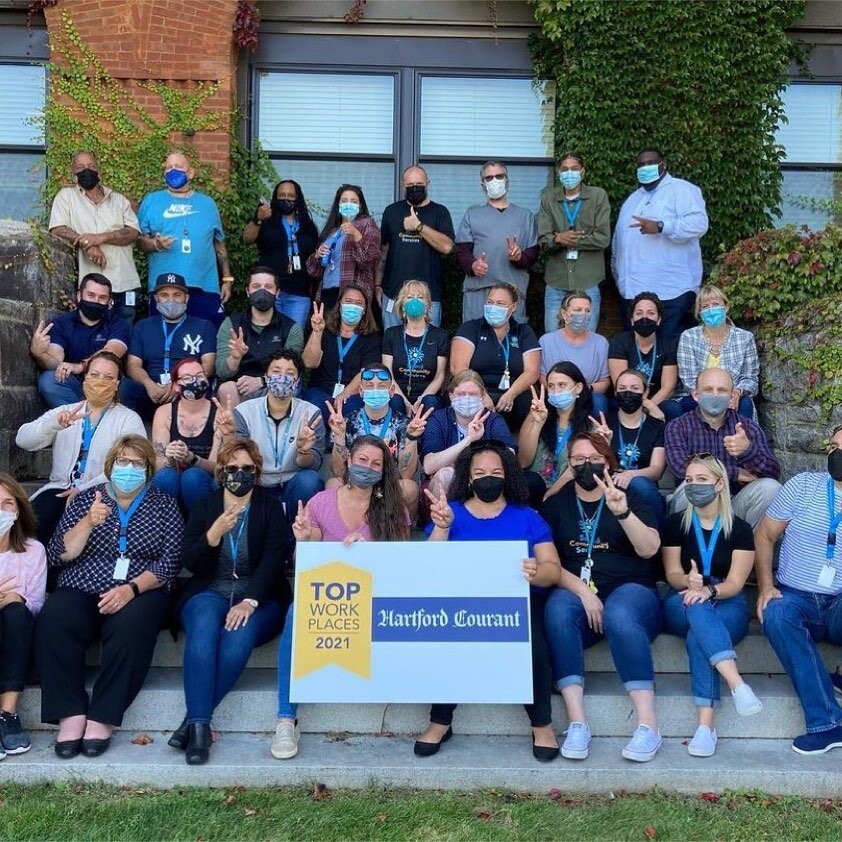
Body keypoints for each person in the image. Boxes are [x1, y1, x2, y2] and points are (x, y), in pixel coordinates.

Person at [36, 435, 182, 759]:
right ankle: (70, 713)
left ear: (148, 469)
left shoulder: (164, 503)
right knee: (55, 621)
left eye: (137, 463)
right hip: (83, 582)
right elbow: (58, 554)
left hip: (140, 587)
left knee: (133, 628)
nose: (128, 469)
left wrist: (130, 589)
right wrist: (88, 521)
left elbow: (171, 560)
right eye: (122, 462)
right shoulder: (88, 498)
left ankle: (102, 716)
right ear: (111, 465)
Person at [416, 440, 562, 761]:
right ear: (468, 478)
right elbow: (427, 564)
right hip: (462, 605)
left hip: (518, 604)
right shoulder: (449, 514)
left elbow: (552, 569)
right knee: (445, 640)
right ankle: (440, 720)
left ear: (507, 475)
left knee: (534, 645)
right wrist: (441, 528)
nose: (488, 477)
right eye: (480, 472)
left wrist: (537, 572)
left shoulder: (528, 517)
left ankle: (542, 724)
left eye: (496, 471)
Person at [271, 435, 410, 760]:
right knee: (296, 612)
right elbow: (313, 546)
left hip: (377, 597)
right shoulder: (321, 501)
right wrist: (304, 539)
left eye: (377, 463)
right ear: (348, 460)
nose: (368, 467)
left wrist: (372, 553)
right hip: (332, 600)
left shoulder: (393, 508)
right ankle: (285, 718)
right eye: (362, 460)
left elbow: (402, 562)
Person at [541, 433, 662, 762]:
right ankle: (578, 722)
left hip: (632, 589)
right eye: (577, 459)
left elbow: (650, 549)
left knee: (620, 614)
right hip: (581, 592)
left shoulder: (629, 496)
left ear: (608, 462)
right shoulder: (557, 504)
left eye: (593, 458)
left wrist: (622, 513)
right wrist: (583, 592)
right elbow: (549, 563)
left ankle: (648, 725)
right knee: (557, 609)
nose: (585, 465)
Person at [170, 439, 291, 765]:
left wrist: (250, 601)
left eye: (248, 469)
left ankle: (193, 723)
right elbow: (192, 563)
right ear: (221, 471)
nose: (240, 474)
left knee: (238, 639)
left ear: (257, 472)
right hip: (211, 589)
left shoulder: (270, 508)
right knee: (203, 632)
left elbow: (274, 560)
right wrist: (213, 534)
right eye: (233, 468)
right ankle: (199, 729)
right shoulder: (206, 507)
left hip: (259, 597)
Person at [661, 454, 762, 758]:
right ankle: (737, 683)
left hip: (726, 599)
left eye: (702, 480)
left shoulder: (740, 529)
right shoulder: (676, 524)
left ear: (720, 484)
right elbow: (671, 573)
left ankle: (706, 727)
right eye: (689, 480)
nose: (693, 486)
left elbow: (735, 584)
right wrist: (688, 583)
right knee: (694, 605)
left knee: (698, 634)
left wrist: (708, 590)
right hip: (681, 598)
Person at [754, 424, 842, 755]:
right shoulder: (803, 485)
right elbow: (764, 535)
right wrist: (765, 586)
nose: (837, 454)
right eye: (833, 447)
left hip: (838, 605)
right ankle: (828, 723)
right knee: (775, 614)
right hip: (796, 597)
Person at [16, 351, 145, 548]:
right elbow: (23, 439)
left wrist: (84, 489)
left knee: (79, 531)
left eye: (108, 377)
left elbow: (133, 464)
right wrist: (55, 425)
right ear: (85, 378)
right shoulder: (66, 411)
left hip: (103, 489)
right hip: (60, 487)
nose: (100, 381)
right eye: (94, 375)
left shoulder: (128, 418)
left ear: (117, 383)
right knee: (33, 525)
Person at [612, 147, 709, 344]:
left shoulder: (682, 190)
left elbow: (699, 224)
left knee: (668, 354)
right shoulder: (633, 198)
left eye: (650, 163)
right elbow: (618, 241)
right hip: (633, 295)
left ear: (663, 165)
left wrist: (661, 226)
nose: (645, 168)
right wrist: (619, 276)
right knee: (638, 355)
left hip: (671, 294)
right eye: (641, 165)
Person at [665, 367, 781, 529]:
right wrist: (735, 472)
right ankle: (692, 549)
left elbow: (773, 472)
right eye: (708, 389)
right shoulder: (678, 426)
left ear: (732, 396)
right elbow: (680, 468)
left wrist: (748, 451)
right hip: (693, 502)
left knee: (770, 488)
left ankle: (748, 548)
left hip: (736, 502)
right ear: (696, 395)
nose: (715, 395)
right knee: (693, 484)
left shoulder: (747, 427)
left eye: (722, 390)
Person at [218, 350, 325, 515]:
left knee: (310, 480)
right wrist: (229, 435)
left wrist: (304, 451)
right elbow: (235, 458)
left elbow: (314, 464)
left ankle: (293, 533)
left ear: (296, 382)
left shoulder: (311, 414)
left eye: (290, 373)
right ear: (266, 377)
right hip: (257, 482)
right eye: (276, 371)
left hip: (292, 483)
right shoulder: (244, 412)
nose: (282, 378)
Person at [137, 151, 231, 327]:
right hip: (164, 290)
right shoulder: (151, 201)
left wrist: (227, 279)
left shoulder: (208, 203)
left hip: (205, 286)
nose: (173, 171)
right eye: (169, 167)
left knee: (207, 341)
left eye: (178, 167)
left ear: (191, 173)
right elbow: (139, 241)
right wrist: (155, 244)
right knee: (163, 342)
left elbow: (219, 244)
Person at [48, 151, 140, 323]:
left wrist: (101, 238)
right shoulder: (66, 197)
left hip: (124, 282)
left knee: (125, 337)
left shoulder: (119, 200)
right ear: (73, 173)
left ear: (99, 170)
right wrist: (88, 244)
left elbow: (133, 232)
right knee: (92, 337)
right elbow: (57, 229)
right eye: (80, 167)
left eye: (91, 166)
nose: (86, 170)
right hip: (92, 289)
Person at [326, 364, 427, 516]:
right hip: (356, 482)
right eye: (369, 386)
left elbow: (406, 475)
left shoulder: (404, 424)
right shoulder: (346, 422)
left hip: (389, 484)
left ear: (391, 391)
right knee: (333, 484)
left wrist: (412, 438)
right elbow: (338, 472)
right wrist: (339, 436)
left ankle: (404, 532)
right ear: (361, 391)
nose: (375, 390)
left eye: (381, 386)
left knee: (409, 487)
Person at [123, 273, 216, 421]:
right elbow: (132, 365)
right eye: (164, 295)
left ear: (187, 298)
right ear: (156, 299)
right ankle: (130, 433)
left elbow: (208, 367)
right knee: (125, 387)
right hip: (151, 390)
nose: (171, 300)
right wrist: (149, 385)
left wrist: (178, 384)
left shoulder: (204, 326)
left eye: (177, 295)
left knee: (200, 386)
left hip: (186, 389)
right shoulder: (142, 326)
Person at [30, 273, 131, 408]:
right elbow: (55, 360)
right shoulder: (61, 323)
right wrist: (39, 354)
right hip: (75, 385)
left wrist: (81, 366)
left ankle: (102, 420)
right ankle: (82, 421)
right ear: (79, 296)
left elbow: (111, 352)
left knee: (129, 388)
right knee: (49, 380)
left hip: (106, 383)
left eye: (102, 298)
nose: (96, 301)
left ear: (109, 301)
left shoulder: (118, 324)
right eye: (91, 295)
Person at [456, 161, 538, 322]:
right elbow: (462, 252)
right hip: (479, 291)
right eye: (489, 177)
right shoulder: (472, 215)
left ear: (507, 180)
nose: (494, 181)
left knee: (511, 343)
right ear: (483, 184)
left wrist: (519, 257)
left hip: (513, 292)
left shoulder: (525, 216)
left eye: (499, 176)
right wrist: (473, 265)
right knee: (476, 340)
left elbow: (533, 254)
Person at [538, 152, 611, 334]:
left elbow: (602, 238)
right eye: (564, 169)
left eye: (574, 169)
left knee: (586, 339)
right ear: (558, 172)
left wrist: (565, 239)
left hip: (588, 281)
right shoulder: (549, 198)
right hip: (556, 281)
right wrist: (556, 238)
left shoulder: (597, 196)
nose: (569, 173)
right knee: (552, 339)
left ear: (582, 171)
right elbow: (543, 239)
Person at [450, 282, 540, 430]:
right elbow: (458, 367)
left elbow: (532, 371)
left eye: (500, 303)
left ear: (514, 307)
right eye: (490, 302)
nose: (494, 307)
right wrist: (482, 395)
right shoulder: (471, 328)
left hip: (512, 393)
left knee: (527, 401)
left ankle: (520, 450)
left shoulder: (523, 331)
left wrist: (510, 394)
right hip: (476, 391)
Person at [0, 475, 46, 758]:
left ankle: (7, 714)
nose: (0, 511)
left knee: (16, 613)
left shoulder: (33, 551)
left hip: (17, 638)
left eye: (7, 503)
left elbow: (37, 603)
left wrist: (17, 598)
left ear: (17, 511)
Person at [376, 165, 454, 329]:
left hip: (428, 298)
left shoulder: (440, 212)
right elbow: (383, 253)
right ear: (403, 184)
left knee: (427, 349)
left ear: (427, 183)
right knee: (393, 348)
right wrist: (377, 285)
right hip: (393, 295)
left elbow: (447, 246)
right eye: (410, 185)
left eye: (419, 184)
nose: (415, 188)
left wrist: (418, 226)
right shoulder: (391, 211)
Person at [216, 266, 304, 408]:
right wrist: (235, 357)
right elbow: (222, 372)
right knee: (227, 388)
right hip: (240, 388)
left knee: (285, 386)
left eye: (268, 287)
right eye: (256, 286)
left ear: (277, 292)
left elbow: (291, 371)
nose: (262, 291)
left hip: (274, 386)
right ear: (247, 291)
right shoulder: (231, 324)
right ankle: (236, 430)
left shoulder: (291, 328)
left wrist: (262, 381)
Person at [420, 370, 516, 498]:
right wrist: (469, 440)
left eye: (472, 394)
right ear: (451, 396)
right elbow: (429, 466)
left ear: (482, 396)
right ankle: (447, 518)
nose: (467, 398)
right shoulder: (438, 419)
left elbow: (509, 456)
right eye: (461, 394)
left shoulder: (493, 419)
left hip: (484, 480)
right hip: (446, 484)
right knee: (445, 474)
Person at [242, 179, 319, 329]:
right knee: (267, 335)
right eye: (282, 195)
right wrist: (258, 219)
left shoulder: (308, 226)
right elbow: (247, 238)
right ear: (275, 198)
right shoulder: (267, 220)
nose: (286, 199)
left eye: (291, 196)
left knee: (293, 340)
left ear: (298, 199)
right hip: (269, 291)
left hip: (299, 294)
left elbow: (313, 259)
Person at [300, 286, 381, 427]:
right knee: (316, 407)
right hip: (321, 389)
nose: (353, 306)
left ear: (364, 310)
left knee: (351, 410)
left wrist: (345, 394)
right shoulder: (325, 330)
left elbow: (366, 371)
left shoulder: (372, 338)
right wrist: (317, 333)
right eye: (348, 301)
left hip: (353, 393)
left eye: (358, 303)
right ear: (340, 305)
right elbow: (309, 363)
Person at [675, 284, 759, 419]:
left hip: (732, 396)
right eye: (705, 306)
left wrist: (736, 393)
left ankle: (744, 440)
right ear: (699, 312)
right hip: (698, 396)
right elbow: (688, 379)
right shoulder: (689, 337)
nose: (711, 309)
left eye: (715, 304)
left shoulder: (745, 338)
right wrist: (711, 397)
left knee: (745, 404)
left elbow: (750, 377)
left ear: (726, 307)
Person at [598, 369, 666, 526]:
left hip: (643, 489)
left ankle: (657, 541)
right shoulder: (604, 423)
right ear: (615, 392)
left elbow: (657, 470)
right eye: (622, 388)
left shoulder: (656, 426)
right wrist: (604, 443)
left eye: (635, 388)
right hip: (609, 485)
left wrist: (632, 475)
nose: (628, 392)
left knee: (640, 484)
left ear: (645, 392)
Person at [151, 357, 220, 511]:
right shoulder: (165, 412)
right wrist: (169, 458)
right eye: (187, 378)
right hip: (173, 477)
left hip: (203, 481)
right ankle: (168, 528)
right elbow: (156, 464)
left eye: (200, 376)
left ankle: (198, 529)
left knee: (192, 477)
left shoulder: (218, 412)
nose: (195, 381)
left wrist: (192, 459)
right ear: (176, 385)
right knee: (165, 477)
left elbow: (218, 468)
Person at [520, 362, 594, 503]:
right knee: (530, 481)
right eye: (551, 386)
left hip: (564, 494)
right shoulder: (536, 415)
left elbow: (575, 472)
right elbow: (523, 462)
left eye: (562, 385)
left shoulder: (590, 427)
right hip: (534, 490)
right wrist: (537, 424)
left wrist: (550, 495)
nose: (555, 391)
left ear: (578, 388)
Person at [305, 184, 381, 309]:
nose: (348, 204)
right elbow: (313, 272)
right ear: (338, 205)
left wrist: (356, 234)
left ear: (360, 205)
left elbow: (368, 260)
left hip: (352, 293)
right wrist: (317, 256)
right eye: (344, 201)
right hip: (327, 291)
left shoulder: (367, 224)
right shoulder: (331, 231)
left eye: (353, 201)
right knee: (327, 327)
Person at [608, 291, 678, 421]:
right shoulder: (619, 343)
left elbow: (668, 387)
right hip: (627, 397)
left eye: (651, 313)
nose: (644, 317)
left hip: (658, 400)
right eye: (639, 313)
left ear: (659, 319)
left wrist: (649, 406)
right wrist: (641, 407)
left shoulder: (668, 344)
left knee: (672, 408)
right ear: (631, 319)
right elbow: (622, 385)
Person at [381, 280, 449, 414]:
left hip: (427, 395)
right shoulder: (391, 334)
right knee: (394, 401)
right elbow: (388, 374)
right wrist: (405, 402)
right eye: (410, 297)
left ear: (428, 305)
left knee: (430, 402)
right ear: (402, 303)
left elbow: (439, 376)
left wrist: (420, 400)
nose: (415, 301)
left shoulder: (440, 335)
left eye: (420, 297)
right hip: (397, 393)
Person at [539, 289, 610, 416]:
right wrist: (561, 392)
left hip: (587, 396)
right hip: (556, 395)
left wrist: (582, 390)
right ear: (565, 315)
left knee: (599, 402)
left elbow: (605, 382)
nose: (583, 314)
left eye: (587, 311)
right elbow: (543, 378)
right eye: (578, 310)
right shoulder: (546, 341)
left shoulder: (601, 343)